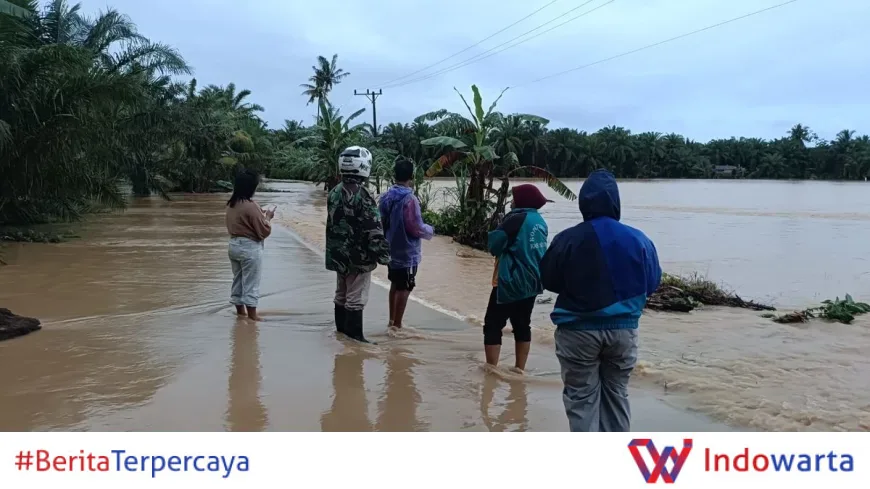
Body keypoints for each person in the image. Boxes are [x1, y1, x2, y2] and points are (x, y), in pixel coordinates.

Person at [540, 169, 662, 432]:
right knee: (617, 394)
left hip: (577, 331)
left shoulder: (566, 239)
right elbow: (652, 283)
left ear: (583, 202)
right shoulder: (640, 239)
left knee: (581, 399)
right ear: (616, 202)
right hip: (624, 331)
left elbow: (548, 279)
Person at [326, 146, 391, 343]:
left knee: (341, 293)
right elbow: (373, 230)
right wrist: (385, 257)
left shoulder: (334, 192)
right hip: (358, 257)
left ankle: (341, 333)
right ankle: (355, 339)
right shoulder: (363, 195)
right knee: (355, 297)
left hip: (339, 255)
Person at [484, 184, 550, 372]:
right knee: (522, 325)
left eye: (514, 198)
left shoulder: (515, 219)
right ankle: (519, 369)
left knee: (493, 324)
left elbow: (494, 246)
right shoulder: (539, 220)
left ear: (522, 200)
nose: (511, 201)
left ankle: (491, 370)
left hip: (511, 281)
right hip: (533, 281)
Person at [378, 156, 434, 330]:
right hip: (407, 251)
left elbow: (381, 222)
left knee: (395, 284)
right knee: (405, 287)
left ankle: (391, 321)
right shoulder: (410, 199)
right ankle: (397, 325)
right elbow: (415, 227)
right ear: (411, 176)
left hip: (391, 248)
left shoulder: (386, 197)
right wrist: (430, 230)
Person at [225, 169, 274, 321]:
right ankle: (253, 316)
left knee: (238, 280)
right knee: (251, 282)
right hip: (249, 247)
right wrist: (268, 217)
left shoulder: (232, 204)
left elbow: (244, 220)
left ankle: (240, 312)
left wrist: (260, 214)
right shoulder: (251, 205)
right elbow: (263, 230)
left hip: (233, 245)